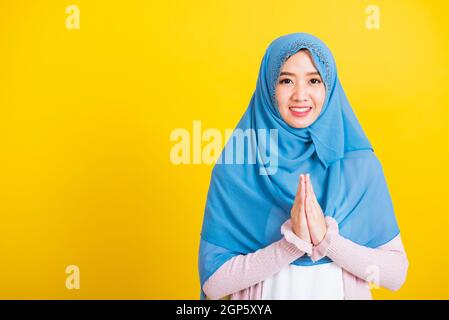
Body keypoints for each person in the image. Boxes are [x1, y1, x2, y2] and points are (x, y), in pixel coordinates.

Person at [198, 32, 409, 300]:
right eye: (286, 80)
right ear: (268, 87)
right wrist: (292, 244)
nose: (300, 95)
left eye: (313, 80)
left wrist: (326, 241)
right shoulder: (237, 168)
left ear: (329, 88)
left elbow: (395, 274)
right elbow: (214, 283)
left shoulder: (360, 166)